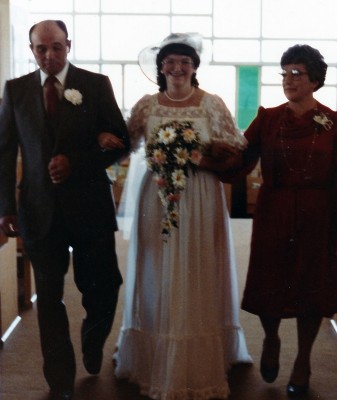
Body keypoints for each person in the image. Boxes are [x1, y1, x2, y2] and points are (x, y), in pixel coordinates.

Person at [99, 33, 252, 400]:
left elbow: (234, 152)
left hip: (200, 197)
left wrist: (203, 158)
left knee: (196, 267)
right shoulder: (147, 106)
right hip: (156, 196)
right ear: (160, 68)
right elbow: (125, 143)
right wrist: (103, 139)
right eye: (170, 61)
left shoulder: (211, 104)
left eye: (185, 61)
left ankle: (199, 356)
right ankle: (151, 351)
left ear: (195, 67)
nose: (177, 67)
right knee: (157, 269)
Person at [222, 44, 337, 397]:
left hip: (319, 214)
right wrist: (206, 157)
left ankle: (303, 359)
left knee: (310, 287)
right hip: (274, 211)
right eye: (284, 72)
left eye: (296, 73)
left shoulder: (336, 122)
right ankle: (271, 339)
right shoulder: (267, 118)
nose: (288, 79)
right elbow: (240, 158)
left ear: (314, 79)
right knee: (271, 281)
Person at [0, 20, 130, 400]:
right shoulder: (16, 90)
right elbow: (5, 153)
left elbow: (120, 143)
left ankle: (93, 336)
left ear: (68, 45)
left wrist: (79, 162)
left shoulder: (95, 85)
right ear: (32, 50)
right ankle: (60, 380)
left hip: (89, 206)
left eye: (56, 47)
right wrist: (5, 206)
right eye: (41, 49)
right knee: (49, 296)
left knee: (104, 287)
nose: (49, 56)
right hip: (38, 210)